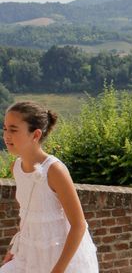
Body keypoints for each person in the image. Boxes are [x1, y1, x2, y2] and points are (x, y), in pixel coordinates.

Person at [1, 101, 99, 273]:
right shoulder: (16, 167)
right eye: (5, 128)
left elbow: (79, 225)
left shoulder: (54, 170)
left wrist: (57, 271)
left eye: (13, 130)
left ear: (36, 134)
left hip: (63, 259)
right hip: (29, 254)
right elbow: (28, 215)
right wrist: (13, 249)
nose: (6, 135)